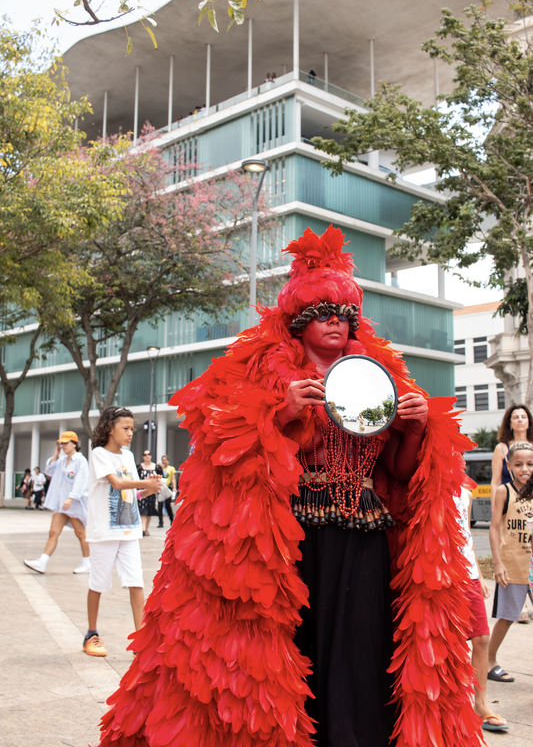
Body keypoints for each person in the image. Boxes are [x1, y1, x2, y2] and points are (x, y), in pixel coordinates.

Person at [96, 226, 483, 747]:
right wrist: (279, 413)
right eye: (322, 313)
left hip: (366, 534)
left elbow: (398, 469)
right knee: (294, 644)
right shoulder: (258, 372)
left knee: (360, 644)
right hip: (292, 539)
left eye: (345, 315)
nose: (336, 324)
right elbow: (224, 450)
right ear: (297, 323)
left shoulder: (380, 375)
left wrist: (415, 427)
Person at [83, 406, 162, 657]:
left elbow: (132, 493)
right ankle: (91, 634)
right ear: (110, 428)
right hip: (104, 532)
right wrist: (144, 482)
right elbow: (116, 483)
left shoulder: (128, 457)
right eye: (125, 428)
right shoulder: (98, 454)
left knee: (136, 582)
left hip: (129, 531)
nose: (130, 434)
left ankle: (141, 638)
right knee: (98, 583)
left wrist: (150, 489)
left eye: (132, 429)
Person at [454, 485, 508, 732]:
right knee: (450, 644)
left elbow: (467, 534)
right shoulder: (426, 485)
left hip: (470, 574)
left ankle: (480, 703)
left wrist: (478, 572)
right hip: (443, 574)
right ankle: (453, 704)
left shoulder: (468, 492)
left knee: (482, 638)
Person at [487, 440, 533, 683]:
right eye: (519, 464)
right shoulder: (505, 491)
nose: (524, 469)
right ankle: (490, 660)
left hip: (531, 564)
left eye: (529, 464)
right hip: (512, 565)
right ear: (509, 466)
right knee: (507, 617)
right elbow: (494, 529)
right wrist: (497, 563)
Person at [24, 432, 90, 574]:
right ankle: (42, 561)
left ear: (74, 444)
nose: (63, 445)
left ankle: (87, 561)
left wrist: (71, 498)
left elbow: (81, 482)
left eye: (66, 443)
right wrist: (56, 453)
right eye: (61, 443)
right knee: (53, 532)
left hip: (74, 503)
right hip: (61, 504)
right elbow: (48, 470)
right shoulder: (61, 461)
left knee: (80, 533)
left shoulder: (80, 461)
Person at [490, 403, 533, 506]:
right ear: (510, 423)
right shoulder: (501, 449)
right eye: (515, 417)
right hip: (509, 505)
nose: (520, 419)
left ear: (529, 422)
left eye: (523, 417)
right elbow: (495, 482)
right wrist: (495, 510)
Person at [136, 449, 163, 536]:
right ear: (143, 457)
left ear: (151, 456)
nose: (147, 456)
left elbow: (161, 477)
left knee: (149, 510)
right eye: (145, 454)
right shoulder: (139, 467)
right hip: (142, 491)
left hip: (152, 492)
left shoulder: (157, 467)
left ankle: (146, 528)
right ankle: (143, 529)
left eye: (149, 454)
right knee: (142, 509)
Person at [157, 455, 176, 528]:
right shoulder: (159, 468)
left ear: (168, 461)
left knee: (168, 506)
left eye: (165, 460)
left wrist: (174, 487)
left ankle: (172, 520)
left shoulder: (171, 468)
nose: (164, 461)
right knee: (160, 506)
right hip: (161, 488)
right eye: (163, 460)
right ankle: (160, 522)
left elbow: (173, 478)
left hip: (168, 488)